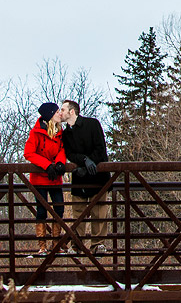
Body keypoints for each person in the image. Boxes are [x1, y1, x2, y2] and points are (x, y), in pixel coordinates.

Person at [60, 100, 111, 253]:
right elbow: (70, 154)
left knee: (99, 211)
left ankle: (98, 245)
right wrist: (83, 161)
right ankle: (77, 245)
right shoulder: (66, 133)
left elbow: (101, 149)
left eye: (63, 109)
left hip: (97, 175)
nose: (60, 112)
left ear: (72, 111)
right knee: (78, 212)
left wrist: (90, 163)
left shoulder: (92, 124)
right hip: (80, 177)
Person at [24, 102, 68, 257]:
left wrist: (60, 163)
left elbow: (62, 149)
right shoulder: (36, 133)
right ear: (50, 115)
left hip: (55, 178)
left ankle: (56, 244)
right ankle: (42, 247)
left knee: (59, 209)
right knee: (41, 211)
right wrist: (46, 165)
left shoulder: (60, 132)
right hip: (40, 178)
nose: (60, 114)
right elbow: (28, 153)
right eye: (57, 112)